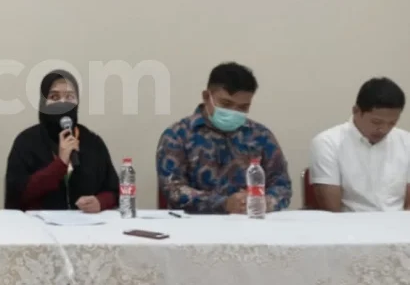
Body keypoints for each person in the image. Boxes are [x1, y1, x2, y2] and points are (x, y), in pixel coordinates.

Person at [156, 62, 291, 214]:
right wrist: (224, 204)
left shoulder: (261, 136)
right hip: (195, 224)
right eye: (226, 104)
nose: (234, 111)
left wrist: (263, 202)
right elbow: (173, 190)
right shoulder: (178, 135)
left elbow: (282, 186)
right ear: (206, 97)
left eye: (243, 107)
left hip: (251, 221)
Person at [5, 70, 119, 212]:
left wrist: (100, 202)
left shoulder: (93, 142)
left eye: (69, 97)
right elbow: (17, 195)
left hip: (85, 224)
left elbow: (115, 191)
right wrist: (59, 164)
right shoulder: (26, 142)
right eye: (54, 97)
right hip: (37, 224)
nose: (63, 102)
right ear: (43, 103)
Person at [309, 78, 410, 212]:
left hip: (397, 221)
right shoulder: (328, 143)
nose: (384, 130)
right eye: (376, 122)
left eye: (392, 123)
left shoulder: (406, 142)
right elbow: (332, 210)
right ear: (356, 111)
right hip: (350, 222)